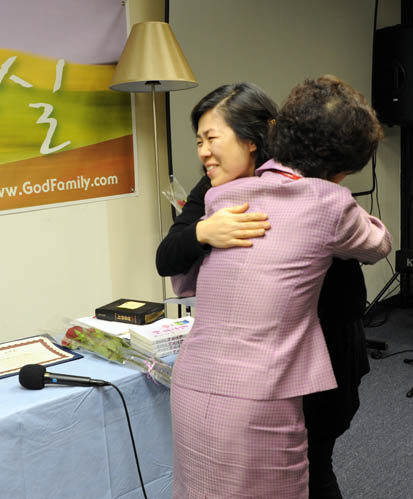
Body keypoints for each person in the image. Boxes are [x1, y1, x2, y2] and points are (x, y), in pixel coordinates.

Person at [165, 76, 391, 499]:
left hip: (196, 379)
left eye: (211, 138)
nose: (204, 152)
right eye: (200, 140)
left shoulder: (222, 196)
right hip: (267, 388)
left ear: (261, 138)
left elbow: (184, 280)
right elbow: (379, 244)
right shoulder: (328, 201)